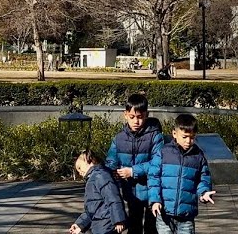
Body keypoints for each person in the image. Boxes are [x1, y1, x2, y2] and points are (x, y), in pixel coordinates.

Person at [106, 94, 164, 234]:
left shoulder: (155, 136)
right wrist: (112, 171)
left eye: (140, 117)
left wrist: (132, 171)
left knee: (152, 228)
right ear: (125, 115)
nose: (136, 121)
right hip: (131, 192)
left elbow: (158, 162)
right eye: (132, 117)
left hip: (153, 191)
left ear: (146, 115)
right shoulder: (119, 138)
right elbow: (111, 160)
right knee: (134, 226)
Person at [148, 114, 215, 234]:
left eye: (192, 137)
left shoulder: (198, 157)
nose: (188, 141)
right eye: (184, 137)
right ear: (174, 133)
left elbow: (203, 179)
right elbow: (154, 178)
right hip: (164, 213)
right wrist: (155, 200)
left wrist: (203, 192)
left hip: (186, 215)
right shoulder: (163, 153)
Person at [70, 151, 127, 234]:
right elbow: (92, 208)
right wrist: (80, 224)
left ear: (88, 161)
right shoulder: (93, 178)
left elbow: (113, 198)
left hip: (108, 224)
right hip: (99, 225)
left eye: (79, 167)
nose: (79, 172)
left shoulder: (101, 175)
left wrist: (118, 220)